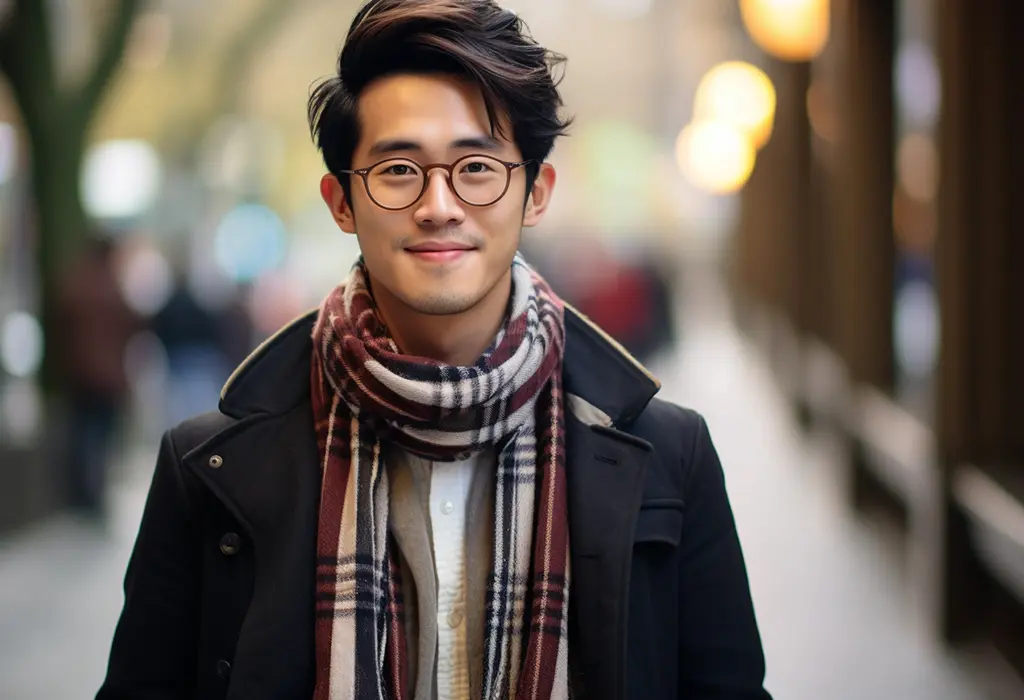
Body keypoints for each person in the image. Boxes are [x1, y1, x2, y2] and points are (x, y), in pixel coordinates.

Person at [97, 1, 771, 698]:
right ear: (341, 202)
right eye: (398, 171)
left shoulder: (668, 456)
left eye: (476, 166)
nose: (439, 204)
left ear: (535, 192)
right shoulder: (208, 466)